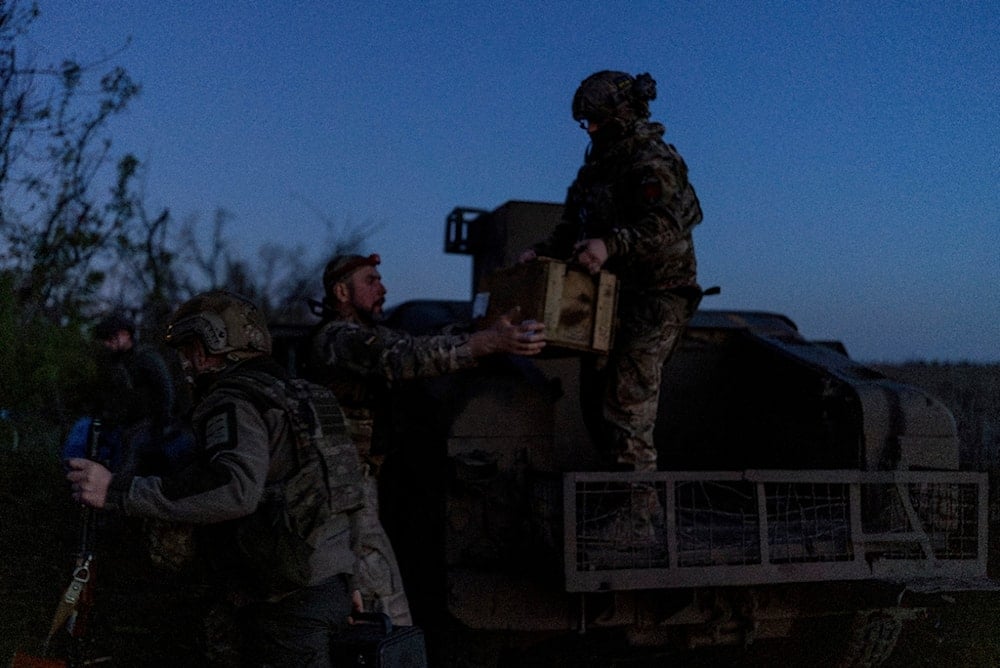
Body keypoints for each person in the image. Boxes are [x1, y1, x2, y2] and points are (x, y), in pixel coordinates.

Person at [67, 291, 364, 667]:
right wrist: (350, 577)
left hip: (286, 600)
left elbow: (234, 488)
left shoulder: (234, 399)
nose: (187, 362)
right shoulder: (306, 395)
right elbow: (349, 491)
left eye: (191, 349)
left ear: (214, 345)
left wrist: (118, 490)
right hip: (328, 588)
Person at [307, 252, 546, 624]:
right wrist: (482, 344)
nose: (382, 287)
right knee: (383, 609)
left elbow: (419, 341)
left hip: (357, 488)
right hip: (342, 494)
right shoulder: (337, 339)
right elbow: (403, 356)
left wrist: (481, 332)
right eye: (370, 280)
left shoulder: (367, 335)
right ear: (341, 291)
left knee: (374, 604)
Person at [519, 70, 704, 473]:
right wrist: (541, 252)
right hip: (608, 300)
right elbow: (571, 230)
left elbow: (670, 224)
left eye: (598, 120)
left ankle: (637, 519)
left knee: (626, 403)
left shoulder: (652, 161)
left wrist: (611, 245)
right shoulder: (596, 171)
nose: (592, 130)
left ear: (624, 112)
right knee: (595, 403)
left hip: (660, 295)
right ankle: (624, 498)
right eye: (587, 122)